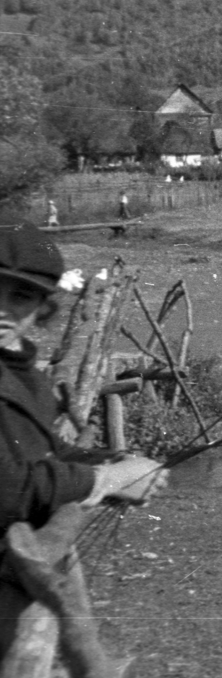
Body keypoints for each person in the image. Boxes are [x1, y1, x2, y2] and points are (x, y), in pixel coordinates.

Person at [2, 224, 168, 637]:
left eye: (19, 296)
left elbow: (43, 449)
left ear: (43, 307)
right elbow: (6, 486)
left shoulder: (25, 375)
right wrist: (105, 479)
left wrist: (118, 463)